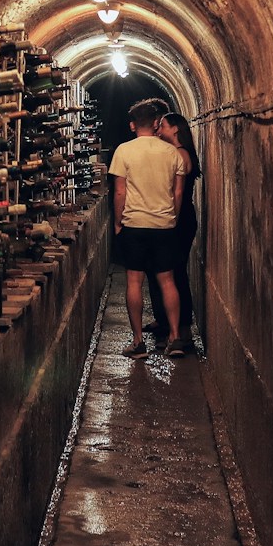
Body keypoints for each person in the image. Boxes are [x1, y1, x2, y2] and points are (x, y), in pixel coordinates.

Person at [107, 98, 188, 358]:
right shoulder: (172, 153)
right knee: (167, 280)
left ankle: (138, 342)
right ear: (155, 124)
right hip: (164, 224)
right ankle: (175, 337)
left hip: (135, 224)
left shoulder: (123, 151)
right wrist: (172, 218)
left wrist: (118, 222)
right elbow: (178, 193)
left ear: (132, 125)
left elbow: (120, 191)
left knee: (134, 280)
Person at [150, 110, 200, 349]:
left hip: (178, 219)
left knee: (176, 273)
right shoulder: (181, 152)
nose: (159, 131)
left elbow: (175, 191)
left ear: (175, 129)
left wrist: (171, 219)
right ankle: (173, 326)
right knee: (174, 272)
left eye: (163, 126)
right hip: (180, 217)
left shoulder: (180, 154)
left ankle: (180, 330)